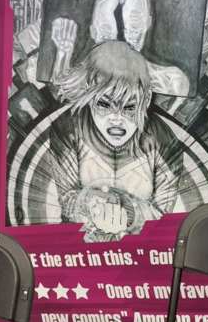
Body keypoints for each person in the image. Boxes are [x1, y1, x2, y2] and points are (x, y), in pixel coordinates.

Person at [46, 41, 182, 242]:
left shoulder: (164, 141)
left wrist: (128, 213)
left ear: (146, 100)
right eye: (104, 104)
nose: (116, 117)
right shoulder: (67, 128)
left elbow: (163, 216)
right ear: (88, 93)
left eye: (129, 107)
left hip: (139, 253)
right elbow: (66, 199)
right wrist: (90, 203)